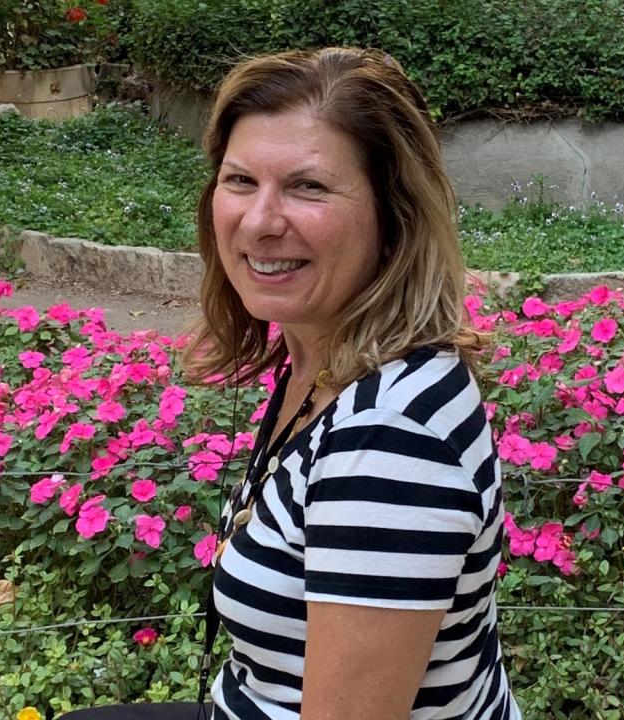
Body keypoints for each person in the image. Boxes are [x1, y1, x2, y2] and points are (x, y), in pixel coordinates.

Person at [180, 47, 522, 719]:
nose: (259, 221)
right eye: (241, 180)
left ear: (394, 219)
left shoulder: (391, 440)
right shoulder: (323, 360)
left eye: (308, 187)